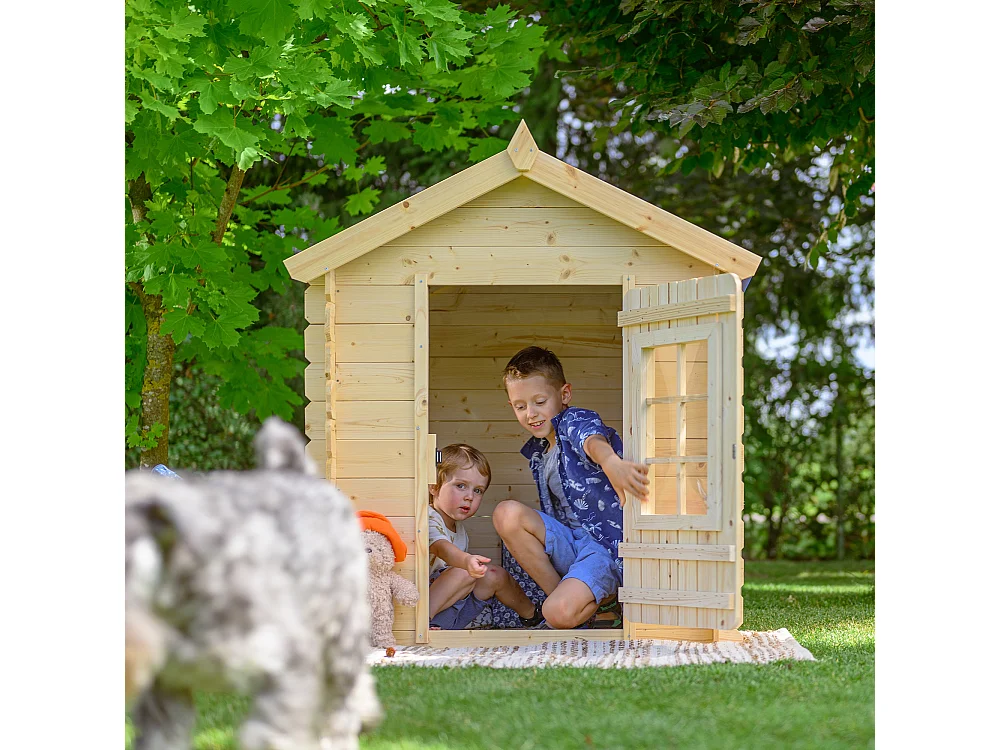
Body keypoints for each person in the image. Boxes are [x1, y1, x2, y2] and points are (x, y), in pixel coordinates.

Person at [493, 346, 650, 630]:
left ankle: (593, 604)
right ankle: (572, 599)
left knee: (557, 614)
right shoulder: (539, 453)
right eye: (520, 406)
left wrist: (610, 461)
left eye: (540, 401)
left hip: (601, 546)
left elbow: (590, 438)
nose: (531, 413)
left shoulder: (572, 421)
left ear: (564, 394)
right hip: (572, 542)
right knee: (506, 513)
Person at [428, 443, 542, 629]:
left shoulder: (459, 529)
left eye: (478, 490)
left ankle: (535, 618)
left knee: (494, 575)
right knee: (465, 571)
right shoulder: (428, 518)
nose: (469, 496)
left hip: (447, 611)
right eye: (461, 485)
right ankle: (422, 623)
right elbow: (442, 549)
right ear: (434, 486)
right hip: (423, 608)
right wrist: (466, 562)